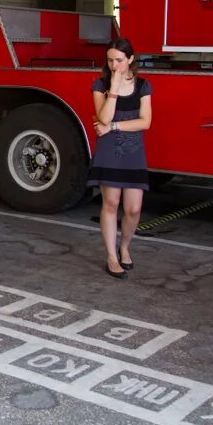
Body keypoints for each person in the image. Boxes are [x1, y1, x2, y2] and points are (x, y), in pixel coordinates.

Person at [86, 38, 152, 280]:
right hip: (109, 153)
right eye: (111, 60)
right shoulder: (100, 84)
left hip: (134, 153)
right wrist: (113, 89)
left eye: (120, 60)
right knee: (111, 204)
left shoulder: (143, 86)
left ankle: (124, 246)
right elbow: (102, 118)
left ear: (131, 60)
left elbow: (145, 122)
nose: (114, 65)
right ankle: (112, 257)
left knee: (133, 209)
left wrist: (113, 127)